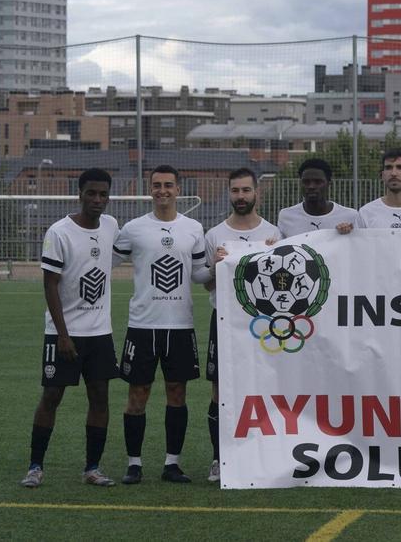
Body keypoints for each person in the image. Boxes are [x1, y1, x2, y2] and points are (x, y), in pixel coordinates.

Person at [21, 168, 120, 488]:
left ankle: (92, 468)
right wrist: (62, 335)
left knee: (100, 398)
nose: (97, 199)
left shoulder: (111, 226)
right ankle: (35, 467)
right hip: (63, 334)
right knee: (52, 396)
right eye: (91, 193)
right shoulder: (59, 232)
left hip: (99, 333)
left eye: (103, 194)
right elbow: (50, 284)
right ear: (80, 194)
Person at [113, 165, 210, 485]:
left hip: (180, 325)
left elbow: (199, 274)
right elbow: (107, 260)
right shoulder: (133, 229)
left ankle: (172, 464)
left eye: (168, 185)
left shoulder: (193, 228)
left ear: (178, 189)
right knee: (137, 394)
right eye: (157, 185)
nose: (162, 190)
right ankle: (134, 464)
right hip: (142, 325)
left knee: (177, 393)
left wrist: (221, 267)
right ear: (150, 189)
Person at [203, 168, 281, 483]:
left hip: (263, 323)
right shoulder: (214, 235)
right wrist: (215, 267)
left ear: (256, 193)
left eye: (246, 190)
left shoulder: (273, 233)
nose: (240, 196)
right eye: (235, 190)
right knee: (219, 390)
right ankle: (218, 458)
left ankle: (265, 455)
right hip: (224, 321)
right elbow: (207, 285)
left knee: (265, 387)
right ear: (229, 193)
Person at [277, 158, 359, 237]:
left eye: (318, 182)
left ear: (329, 184)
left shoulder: (350, 217)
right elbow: (277, 244)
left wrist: (348, 236)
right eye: (306, 182)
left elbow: (359, 244)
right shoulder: (286, 216)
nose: (311, 186)